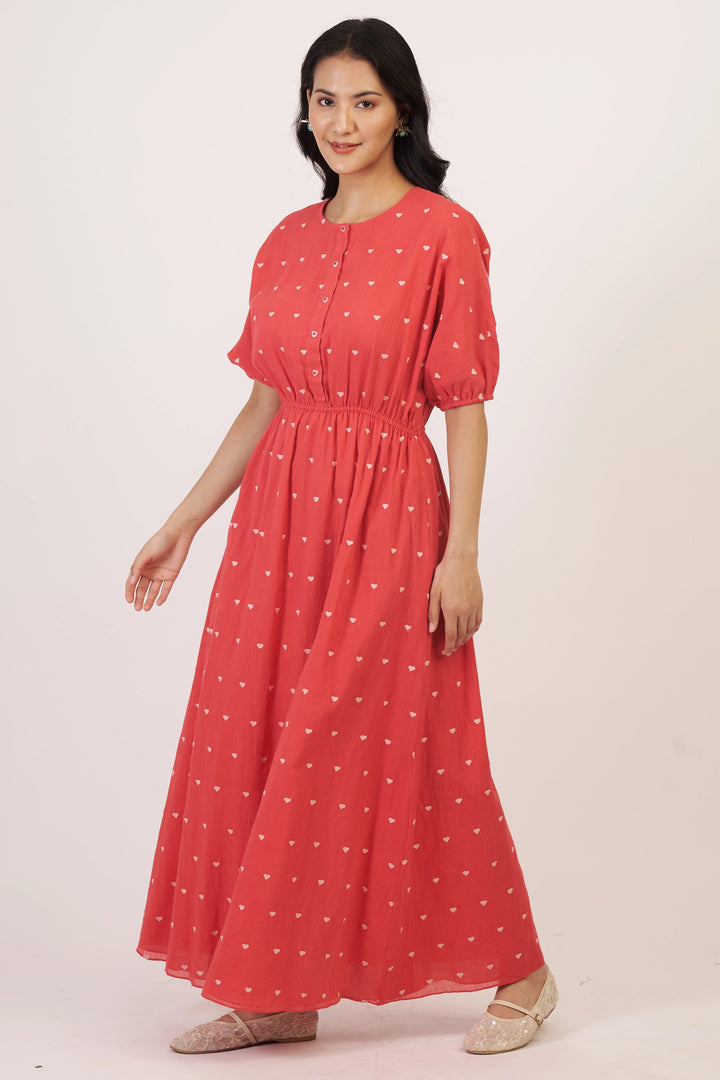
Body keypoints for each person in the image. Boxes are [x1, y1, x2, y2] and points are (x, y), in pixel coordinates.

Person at [125, 16, 558, 1057]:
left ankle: (527, 974)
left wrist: (464, 555)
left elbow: (464, 405)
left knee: (397, 744)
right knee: (263, 743)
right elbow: (268, 401)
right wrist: (183, 522)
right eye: (325, 100)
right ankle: (278, 991)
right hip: (277, 527)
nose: (342, 120)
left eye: (364, 100)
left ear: (403, 110)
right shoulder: (284, 239)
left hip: (389, 524)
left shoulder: (445, 232)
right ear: (304, 112)